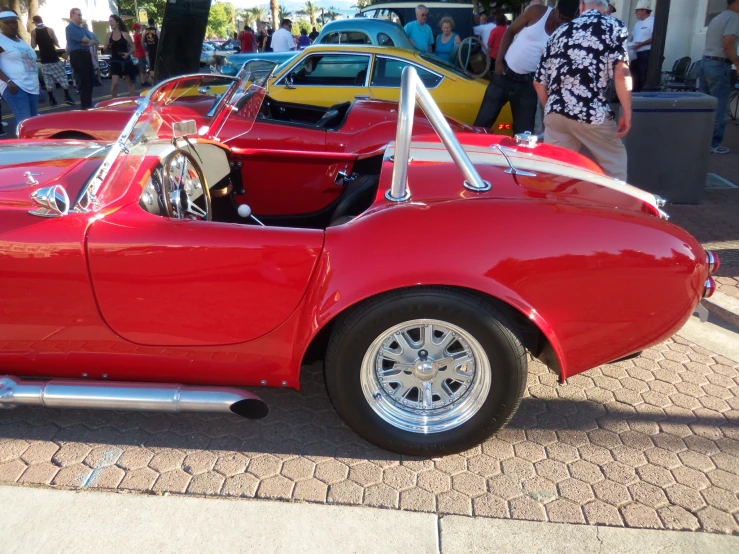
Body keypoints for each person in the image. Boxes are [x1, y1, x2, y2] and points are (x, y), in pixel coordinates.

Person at [535, 0, 632, 181]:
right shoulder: (613, 26)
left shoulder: (559, 32)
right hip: (590, 111)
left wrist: (553, 107)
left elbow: (539, 82)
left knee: (554, 174)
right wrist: (627, 111)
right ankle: (614, 206)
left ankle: (556, 206)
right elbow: (621, 72)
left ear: (581, 6)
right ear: (608, 8)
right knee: (614, 163)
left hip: (556, 111)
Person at [474, 0, 578, 134]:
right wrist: (499, 61)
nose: (562, 23)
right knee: (481, 124)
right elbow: (510, 31)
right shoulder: (537, 12)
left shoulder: (565, 32)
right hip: (505, 74)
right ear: (556, 10)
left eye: (567, 21)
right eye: (562, 18)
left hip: (527, 85)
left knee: (524, 134)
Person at [698, 0, 739, 154]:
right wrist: (737, 62)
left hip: (705, 63)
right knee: (720, 107)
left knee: (706, 105)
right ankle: (713, 144)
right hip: (719, 65)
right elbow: (728, 44)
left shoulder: (718, 17)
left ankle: (701, 141)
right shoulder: (734, 17)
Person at [0, 8, 40, 126]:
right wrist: (8, 81)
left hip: (32, 85)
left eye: (14, 22)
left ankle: (34, 144)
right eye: (8, 23)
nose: (12, 25)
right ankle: (25, 145)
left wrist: (40, 87)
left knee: (34, 121)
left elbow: (30, 63)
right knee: (25, 122)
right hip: (15, 86)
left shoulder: (21, 41)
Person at [30, 15, 74, 106]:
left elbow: (33, 46)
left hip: (44, 60)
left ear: (35, 22)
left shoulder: (33, 32)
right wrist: (64, 50)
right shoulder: (50, 30)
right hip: (54, 58)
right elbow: (56, 42)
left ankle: (52, 99)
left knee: (48, 81)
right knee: (62, 78)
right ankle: (67, 96)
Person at [66, 7, 98, 110]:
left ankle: (88, 104)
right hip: (78, 55)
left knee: (90, 80)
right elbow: (85, 40)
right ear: (72, 16)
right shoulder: (70, 28)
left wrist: (89, 41)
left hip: (85, 54)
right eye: (78, 15)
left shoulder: (81, 28)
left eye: (81, 14)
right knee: (84, 81)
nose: (80, 17)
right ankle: (85, 106)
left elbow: (91, 39)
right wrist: (88, 42)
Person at [105, 15, 135, 98]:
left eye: (111, 21)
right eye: (109, 21)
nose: (110, 23)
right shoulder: (108, 35)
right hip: (115, 61)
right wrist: (107, 46)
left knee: (129, 82)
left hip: (125, 61)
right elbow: (105, 49)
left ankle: (133, 100)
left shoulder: (125, 34)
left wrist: (128, 54)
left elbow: (133, 47)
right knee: (115, 83)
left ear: (117, 22)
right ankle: (113, 101)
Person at [630, 0, 654, 92]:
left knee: (644, 77)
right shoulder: (637, 24)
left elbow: (655, 38)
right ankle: (635, 97)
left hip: (646, 54)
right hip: (636, 54)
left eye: (637, 10)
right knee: (634, 77)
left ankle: (643, 98)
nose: (635, 12)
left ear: (644, 10)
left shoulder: (652, 21)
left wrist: (642, 44)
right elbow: (633, 37)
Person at [143, 18, 158, 83]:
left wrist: (145, 50)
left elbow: (142, 41)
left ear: (148, 23)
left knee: (151, 65)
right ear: (154, 23)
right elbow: (160, 40)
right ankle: (157, 79)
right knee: (157, 65)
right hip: (156, 50)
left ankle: (153, 80)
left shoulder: (145, 31)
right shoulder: (156, 30)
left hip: (149, 50)